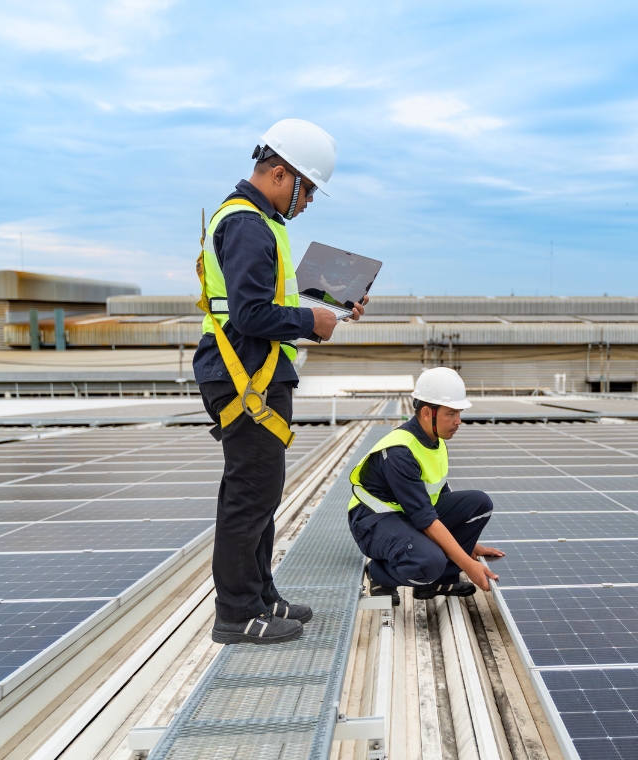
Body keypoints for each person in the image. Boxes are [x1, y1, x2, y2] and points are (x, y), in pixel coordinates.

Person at [195, 118, 367, 645]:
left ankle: (262, 595)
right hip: (245, 376)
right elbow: (249, 314)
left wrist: (330, 303)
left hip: (253, 373)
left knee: (261, 494)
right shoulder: (248, 223)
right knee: (249, 496)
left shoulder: (258, 222)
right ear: (278, 173)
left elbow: (267, 300)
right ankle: (236, 612)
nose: (308, 200)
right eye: (307, 188)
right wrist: (312, 324)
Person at [347, 368, 505, 604]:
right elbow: (425, 517)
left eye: (459, 413)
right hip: (373, 521)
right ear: (426, 412)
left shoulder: (435, 441)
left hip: (407, 514)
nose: (458, 421)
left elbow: (440, 496)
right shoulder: (400, 452)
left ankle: (440, 581)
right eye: (451, 413)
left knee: (480, 504)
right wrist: (468, 564)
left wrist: (469, 546)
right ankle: (380, 575)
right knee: (428, 562)